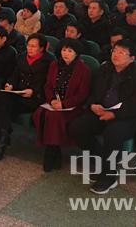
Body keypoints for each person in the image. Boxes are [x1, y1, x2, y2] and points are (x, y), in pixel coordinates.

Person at [69, 39, 136, 195]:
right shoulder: (105, 68)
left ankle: (108, 177)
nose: (116, 55)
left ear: (132, 58)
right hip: (103, 111)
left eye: (122, 53)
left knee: (113, 133)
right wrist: (92, 105)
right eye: (115, 51)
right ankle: (101, 159)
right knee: (76, 127)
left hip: (130, 116)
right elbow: (93, 91)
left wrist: (114, 114)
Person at [0, 33, 55, 162]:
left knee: (4, 107)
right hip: (19, 92)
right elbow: (15, 74)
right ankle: (4, 135)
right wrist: (10, 84)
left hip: (35, 97)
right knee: (3, 97)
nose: (30, 49)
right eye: (28, 45)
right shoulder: (21, 57)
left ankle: (1, 139)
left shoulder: (49, 61)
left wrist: (34, 90)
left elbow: (47, 82)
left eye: (33, 46)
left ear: (41, 48)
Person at [33, 38, 91, 171]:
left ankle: (50, 153)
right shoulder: (54, 65)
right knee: (40, 113)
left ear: (76, 53)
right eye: (64, 50)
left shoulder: (83, 70)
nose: (66, 53)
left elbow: (82, 94)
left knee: (54, 117)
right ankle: (55, 151)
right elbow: (48, 86)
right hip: (54, 103)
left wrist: (64, 104)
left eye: (70, 51)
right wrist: (52, 100)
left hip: (73, 106)